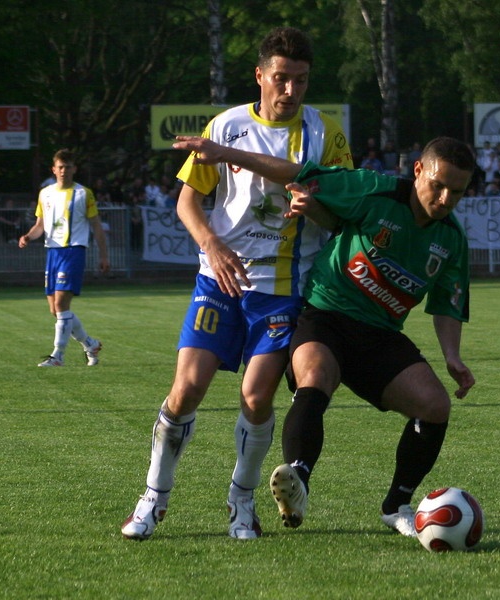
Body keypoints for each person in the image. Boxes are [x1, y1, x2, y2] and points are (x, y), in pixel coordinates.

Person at [171, 134, 477, 537]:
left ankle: (396, 504)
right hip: (325, 314)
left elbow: (446, 305)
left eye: (456, 192)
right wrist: (226, 154)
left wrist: (452, 357)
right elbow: (301, 173)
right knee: (314, 376)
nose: (444, 199)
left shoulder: (451, 239)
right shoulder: (374, 189)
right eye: (437, 185)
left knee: (435, 406)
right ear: (418, 169)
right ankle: (297, 478)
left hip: (381, 334)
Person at [120, 26, 354, 542]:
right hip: (218, 282)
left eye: (300, 80)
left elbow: (344, 210)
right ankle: (153, 499)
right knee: (187, 389)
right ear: (260, 76)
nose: (290, 90)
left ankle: (241, 503)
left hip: (283, 289)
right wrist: (212, 244)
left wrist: (316, 206)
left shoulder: (325, 134)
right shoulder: (225, 127)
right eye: (281, 78)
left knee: (255, 397)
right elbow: (187, 201)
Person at [19, 148, 109, 367]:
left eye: (68, 167)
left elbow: (96, 225)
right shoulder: (45, 193)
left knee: (61, 304)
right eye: (60, 167)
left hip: (73, 251)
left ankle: (57, 355)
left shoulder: (83, 194)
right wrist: (28, 237)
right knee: (56, 310)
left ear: (74, 169)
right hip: (53, 252)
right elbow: (40, 226)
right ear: (53, 169)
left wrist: (104, 255)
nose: (64, 171)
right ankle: (90, 343)